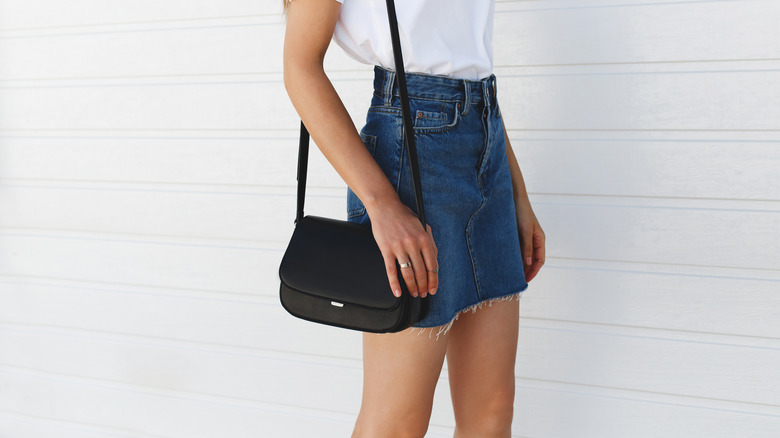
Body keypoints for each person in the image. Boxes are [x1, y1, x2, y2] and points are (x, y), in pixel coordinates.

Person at [282, 0, 546, 436]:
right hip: (412, 158)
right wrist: (382, 205)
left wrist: (516, 191)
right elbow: (299, 67)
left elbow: (470, 68)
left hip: (488, 138)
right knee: (397, 423)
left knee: (493, 411)